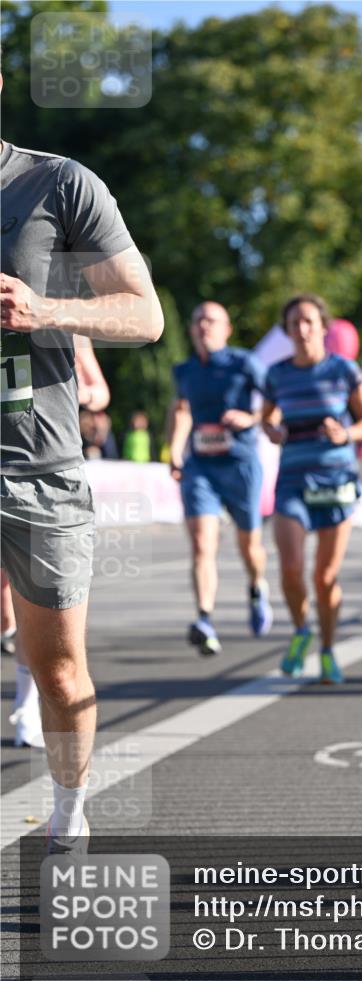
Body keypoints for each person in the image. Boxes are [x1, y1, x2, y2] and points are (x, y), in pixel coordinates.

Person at [1, 130, 163, 852]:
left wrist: (46, 310)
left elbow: (144, 314)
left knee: (59, 671)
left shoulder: (59, 184)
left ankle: (68, 811)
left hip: (38, 467)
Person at [262, 294, 362, 683]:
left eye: (309, 321)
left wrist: (345, 432)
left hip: (335, 481)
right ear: (287, 330)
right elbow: (268, 418)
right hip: (293, 480)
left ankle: (328, 649)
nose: (302, 328)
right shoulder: (277, 374)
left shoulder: (344, 370)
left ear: (323, 328)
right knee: (291, 568)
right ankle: (300, 629)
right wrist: (273, 429)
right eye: (294, 322)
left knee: (324, 578)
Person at [9, 338, 112, 749]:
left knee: (27, 602)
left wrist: (73, 389)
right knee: (9, 610)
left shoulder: (63, 320)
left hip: (41, 470)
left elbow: (100, 391)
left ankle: (25, 706)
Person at [169, 301, 273, 655]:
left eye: (211, 320)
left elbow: (275, 400)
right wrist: (174, 448)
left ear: (227, 328)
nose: (203, 326)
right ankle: (205, 619)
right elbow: (181, 410)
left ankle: (258, 586)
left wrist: (252, 418)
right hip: (201, 466)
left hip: (240, 464)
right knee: (201, 544)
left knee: (249, 545)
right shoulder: (184, 371)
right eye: (198, 320)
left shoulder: (245, 363)